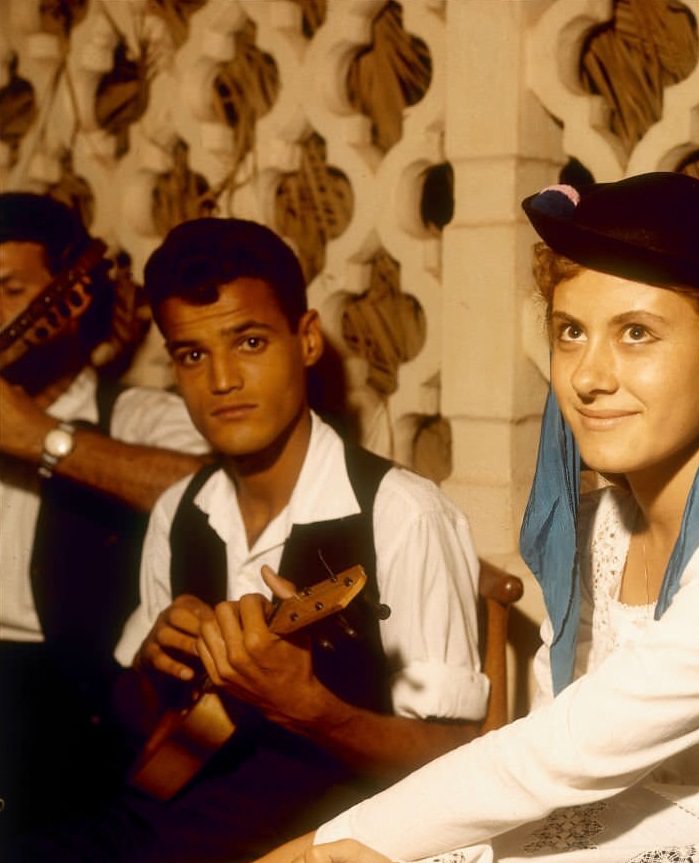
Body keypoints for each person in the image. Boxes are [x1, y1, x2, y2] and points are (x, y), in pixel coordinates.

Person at [257, 173, 699, 863]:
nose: (585, 376)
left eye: (636, 333)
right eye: (571, 331)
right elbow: (556, 725)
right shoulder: (609, 518)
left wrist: (328, 845)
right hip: (664, 802)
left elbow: (568, 751)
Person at [12, 216, 489, 863]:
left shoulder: (402, 514)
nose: (223, 379)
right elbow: (135, 729)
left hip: (310, 846)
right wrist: (155, 666)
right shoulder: (179, 510)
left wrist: (310, 708)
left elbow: (458, 760)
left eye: (250, 341)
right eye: (191, 354)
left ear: (308, 340)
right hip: (153, 832)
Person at [0, 193, 209, 839]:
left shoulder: (140, 417)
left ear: (71, 300)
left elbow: (211, 492)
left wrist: (40, 438)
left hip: (72, 707)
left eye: (8, 289)